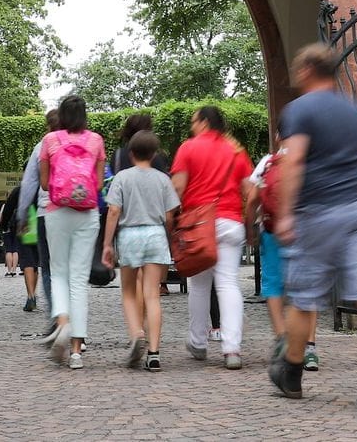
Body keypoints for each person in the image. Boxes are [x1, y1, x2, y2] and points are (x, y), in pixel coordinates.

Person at [267, 45, 357, 415]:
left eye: (297, 67)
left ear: (310, 69)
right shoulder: (356, 109)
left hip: (318, 211)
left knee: (305, 295)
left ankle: (291, 373)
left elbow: (293, 163)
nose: (294, 73)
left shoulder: (300, 110)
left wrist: (288, 213)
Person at [171, 105, 253, 369]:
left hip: (199, 223)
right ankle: (232, 349)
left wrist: (174, 217)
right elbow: (250, 190)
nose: (192, 125)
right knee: (228, 283)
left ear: (204, 122)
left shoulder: (188, 148)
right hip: (230, 221)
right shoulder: (236, 150)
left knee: (199, 284)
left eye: (194, 121)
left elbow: (177, 187)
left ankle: (198, 342)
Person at [101, 130, 179, 372]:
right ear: (154, 154)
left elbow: (114, 211)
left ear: (131, 154)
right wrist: (167, 238)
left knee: (128, 292)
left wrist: (107, 244)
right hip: (155, 233)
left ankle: (136, 334)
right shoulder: (163, 179)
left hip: (130, 235)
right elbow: (169, 216)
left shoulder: (122, 178)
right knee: (152, 295)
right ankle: (154, 353)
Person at [38, 95, 105, 368]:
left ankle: (62, 322)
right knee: (79, 280)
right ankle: (77, 352)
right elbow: (99, 184)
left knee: (58, 273)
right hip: (87, 214)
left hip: (56, 212)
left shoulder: (50, 141)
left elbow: (44, 184)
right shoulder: (96, 141)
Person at [246, 145, 318, 370]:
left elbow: (252, 199)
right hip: (305, 230)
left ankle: (282, 339)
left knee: (273, 284)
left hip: (272, 230)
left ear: (278, 136)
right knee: (306, 286)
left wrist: (249, 229)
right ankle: (309, 347)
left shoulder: (268, 162)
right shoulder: (312, 157)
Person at [16, 110, 61, 325]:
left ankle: (57, 319)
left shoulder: (43, 145)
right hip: (78, 213)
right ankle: (77, 328)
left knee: (49, 269)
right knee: (72, 272)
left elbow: (29, 183)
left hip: (48, 211)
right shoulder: (84, 140)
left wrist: (22, 214)